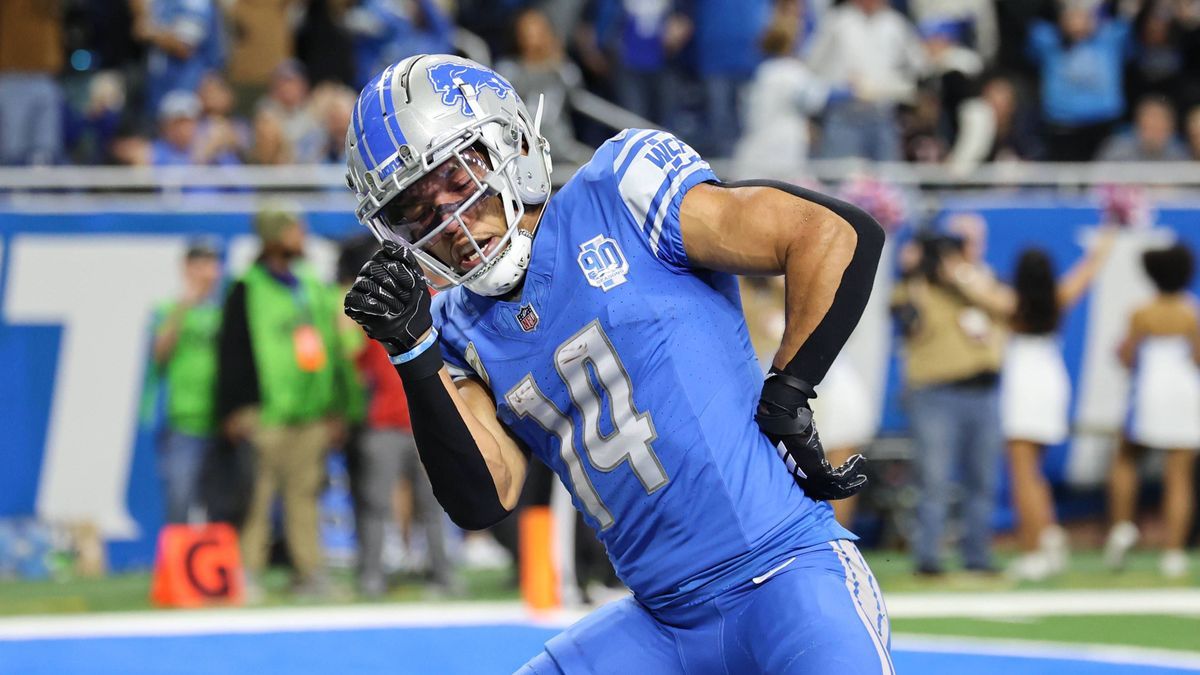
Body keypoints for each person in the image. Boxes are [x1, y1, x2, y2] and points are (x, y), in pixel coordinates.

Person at [341, 54, 889, 673]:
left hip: (788, 574)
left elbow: (829, 234)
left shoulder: (620, 193)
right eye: (413, 205)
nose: (449, 218)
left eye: (457, 177)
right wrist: (412, 355)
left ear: (513, 145)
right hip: (663, 620)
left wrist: (788, 392)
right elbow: (483, 498)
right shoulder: (456, 327)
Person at [215, 206, 349, 598]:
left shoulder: (309, 281)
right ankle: (245, 575)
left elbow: (330, 346)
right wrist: (235, 410)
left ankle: (310, 573)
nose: (301, 234)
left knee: (304, 498)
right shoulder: (247, 287)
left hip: (310, 413)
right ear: (274, 236)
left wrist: (335, 407)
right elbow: (233, 352)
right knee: (256, 499)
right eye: (293, 228)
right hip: (265, 415)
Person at [969, 229, 1116, 580]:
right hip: (1052, 382)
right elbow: (1090, 269)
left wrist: (966, 251)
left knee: (1022, 475)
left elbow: (970, 284)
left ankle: (1032, 552)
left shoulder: (1010, 303)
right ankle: (1048, 538)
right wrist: (1105, 241)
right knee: (1035, 473)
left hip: (1023, 385)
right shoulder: (1060, 295)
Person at [891, 214, 1006, 576]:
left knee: (983, 479)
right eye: (957, 241)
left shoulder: (986, 282)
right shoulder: (919, 285)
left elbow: (1008, 307)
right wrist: (914, 274)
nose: (963, 249)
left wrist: (962, 276)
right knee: (934, 479)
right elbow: (907, 322)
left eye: (971, 241)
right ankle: (928, 556)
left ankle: (977, 555)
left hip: (983, 391)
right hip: (936, 393)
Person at [1106, 243, 1200, 579]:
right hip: (1185, 392)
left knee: (1125, 458)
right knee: (1179, 474)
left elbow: (1128, 357)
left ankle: (1122, 525)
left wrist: (1123, 353)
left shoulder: (1141, 312)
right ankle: (1173, 552)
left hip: (1148, 392)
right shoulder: (1192, 312)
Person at [152, 240, 224, 523]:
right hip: (183, 421)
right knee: (179, 503)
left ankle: (210, 566)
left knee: (219, 506)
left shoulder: (222, 311)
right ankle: (175, 566)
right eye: (202, 265)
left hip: (219, 421)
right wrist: (185, 305)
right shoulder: (169, 308)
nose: (209, 272)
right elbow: (159, 353)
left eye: (213, 264)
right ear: (187, 269)